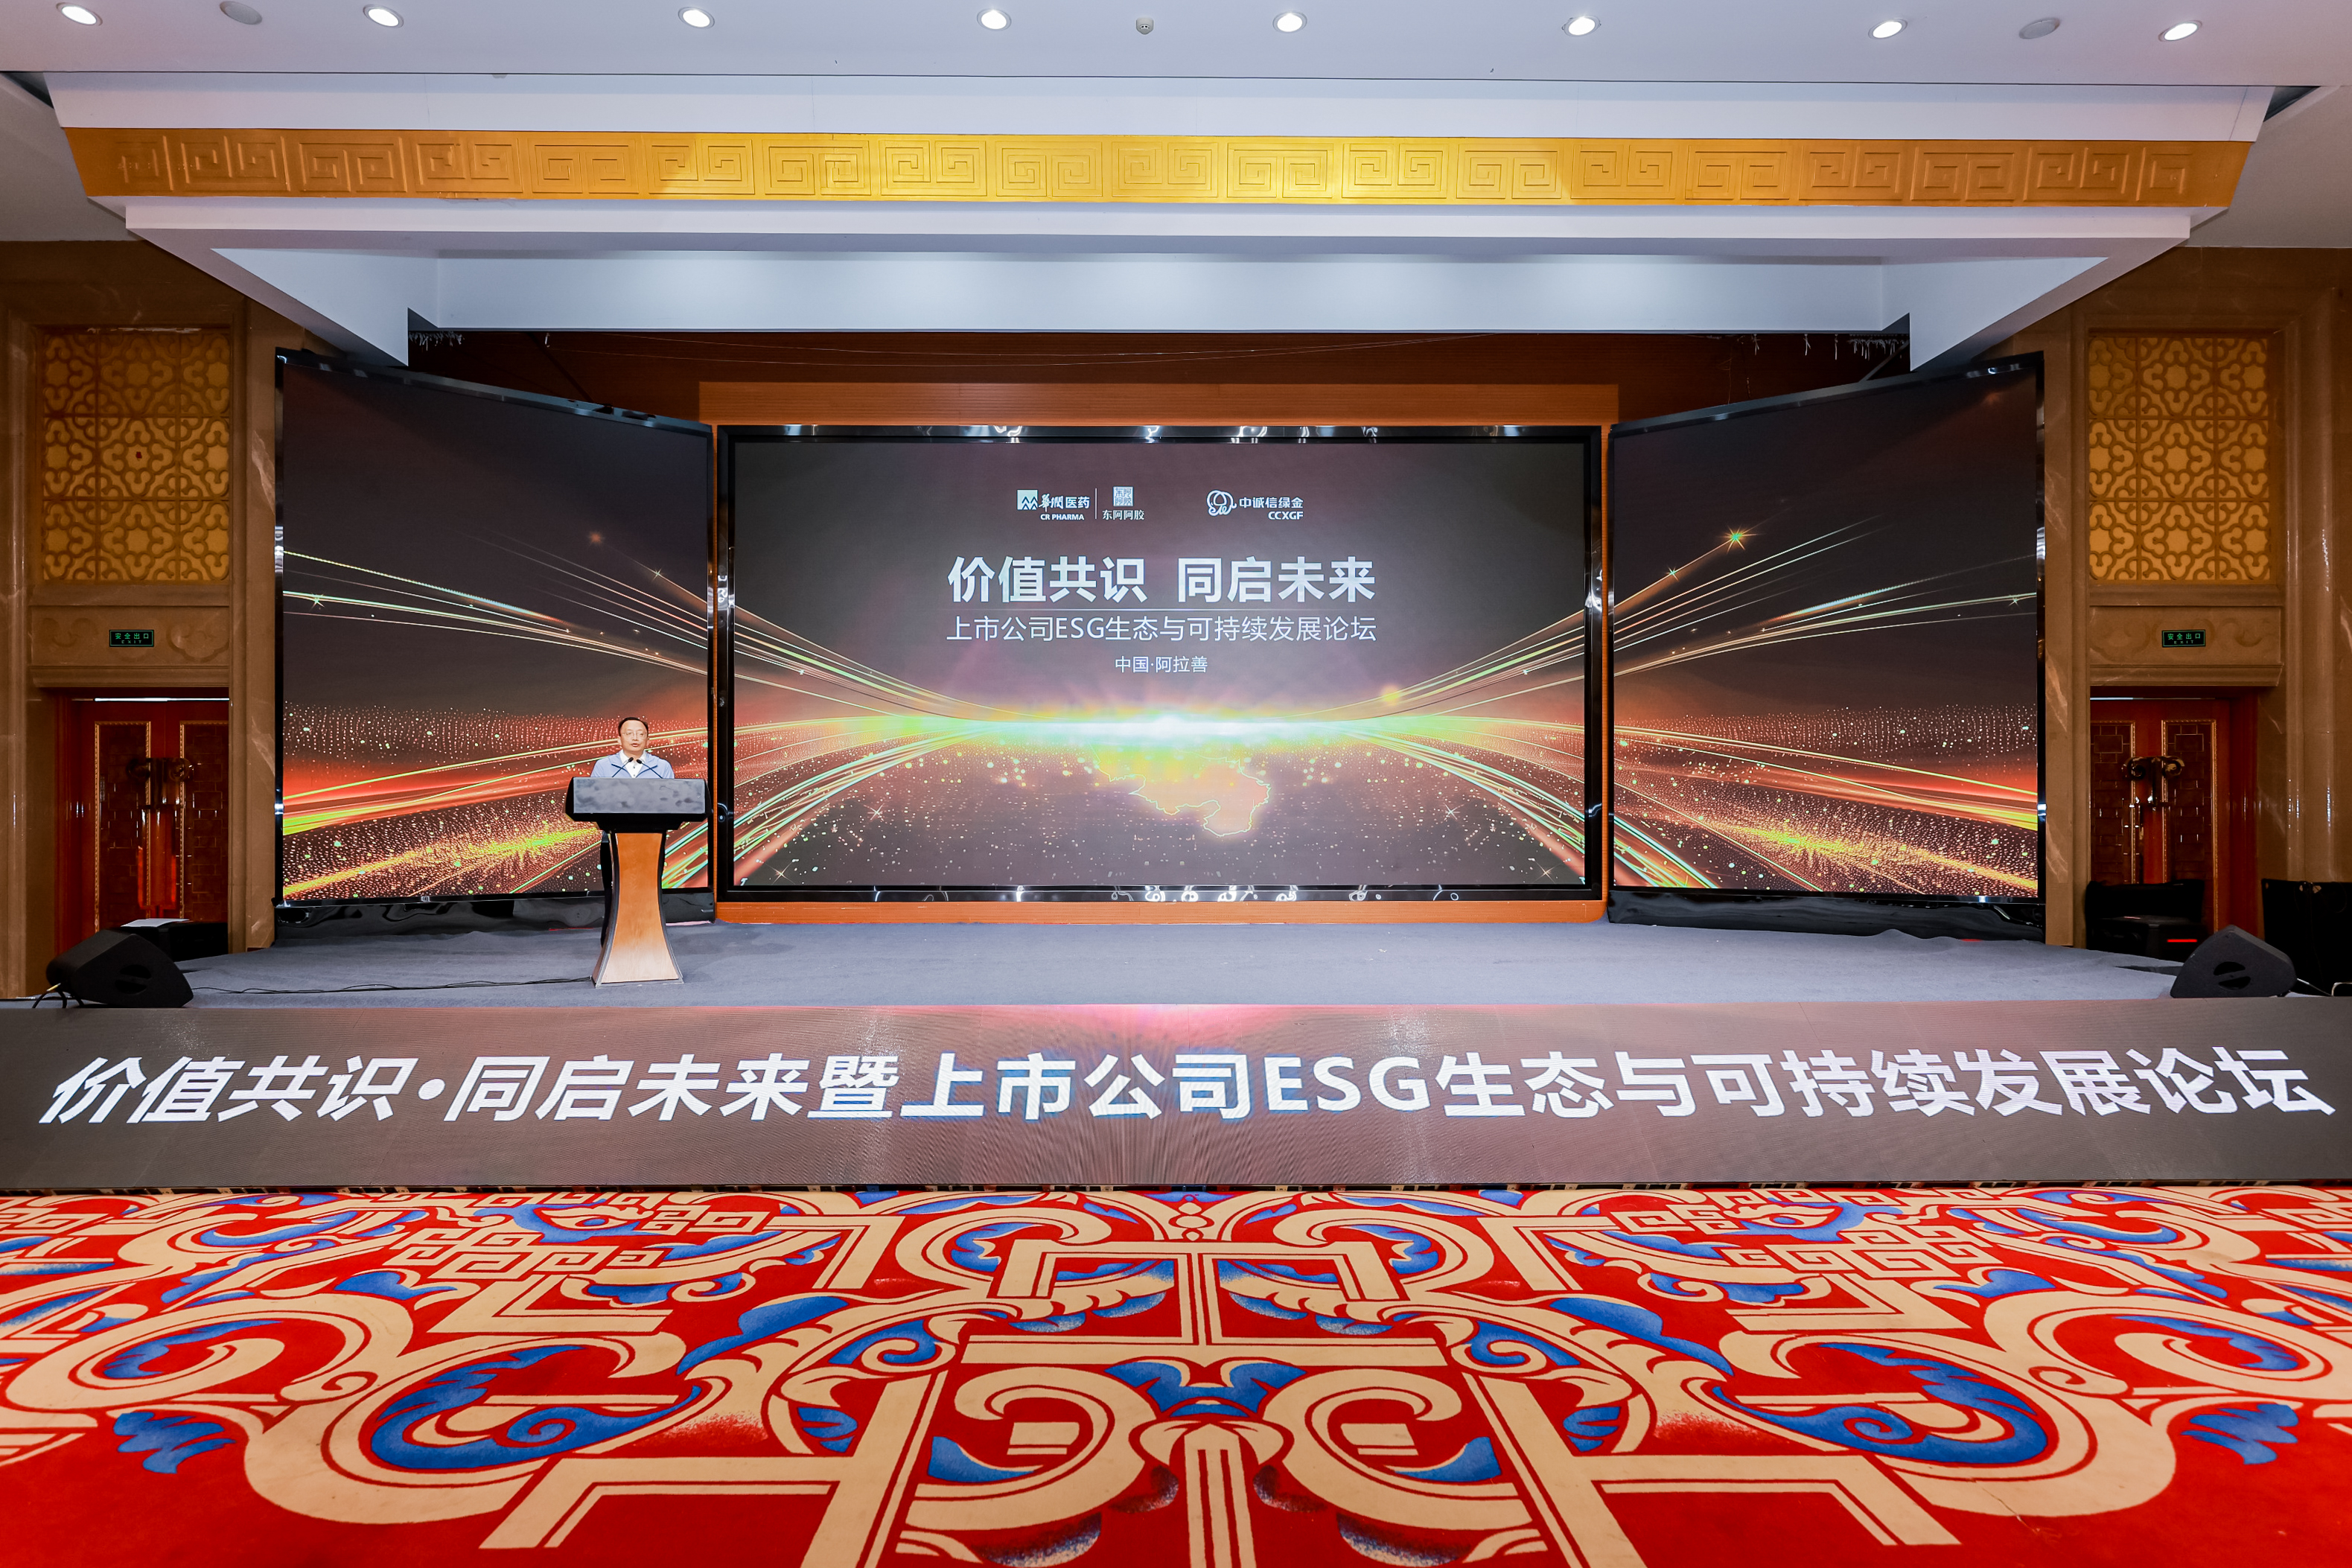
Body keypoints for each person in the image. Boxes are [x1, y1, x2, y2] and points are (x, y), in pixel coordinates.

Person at [590, 716, 675, 778]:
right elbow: (593, 796)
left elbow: (672, 795)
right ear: (619, 740)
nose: (635, 738)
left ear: (647, 741)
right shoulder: (603, 766)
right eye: (629, 733)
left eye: (641, 734)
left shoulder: (662, 766)